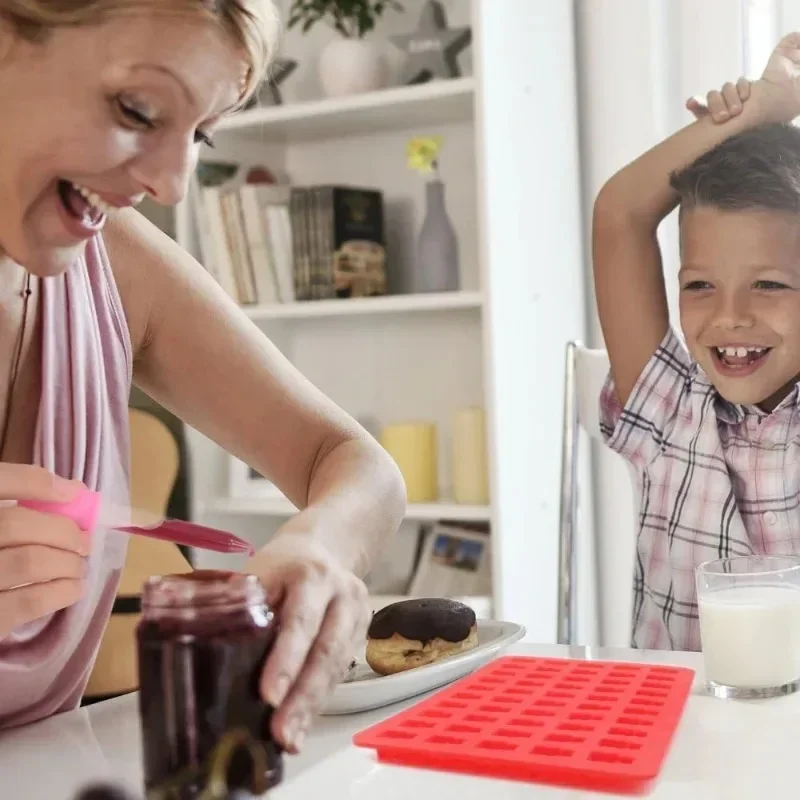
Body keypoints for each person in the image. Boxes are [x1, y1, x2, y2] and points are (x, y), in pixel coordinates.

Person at [0, 0, 406, 754]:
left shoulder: (112, 263)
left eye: (201, 132)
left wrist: (319, 546)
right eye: (138, 109)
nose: (172, 185)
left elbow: (353, 465)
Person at [593, 33, 800, 651]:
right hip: (675, 735)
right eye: (701, 285)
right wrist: (761, 109)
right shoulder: (668, 409)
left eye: (768, 285)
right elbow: (619, 215)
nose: (729, 319)